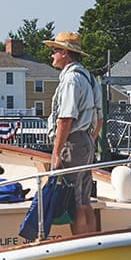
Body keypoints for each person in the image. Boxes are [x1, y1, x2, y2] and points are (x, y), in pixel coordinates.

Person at [43, 31, 103, 234]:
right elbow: (100, 118)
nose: (52, 54)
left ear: (65, 54)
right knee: (84, 200)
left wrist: (56, 153)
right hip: (85, 140)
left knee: (73, 201)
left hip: (73, 142)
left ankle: (80, 246)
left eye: (55, 50)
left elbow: (65, 119)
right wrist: (89, 142)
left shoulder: (70, 80)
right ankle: (92, 242)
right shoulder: (89, 78)